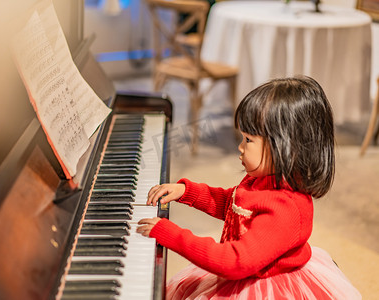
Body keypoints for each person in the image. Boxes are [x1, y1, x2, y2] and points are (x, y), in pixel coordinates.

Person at [137, 76, 361, 299]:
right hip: (244, 271)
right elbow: (232, 204)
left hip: (263, 285)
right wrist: (187, 191)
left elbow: (233, 261)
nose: (240, 147)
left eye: (248, 140)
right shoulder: (263, 178)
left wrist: (172, 235)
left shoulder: (285, 209)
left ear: (285, 147)